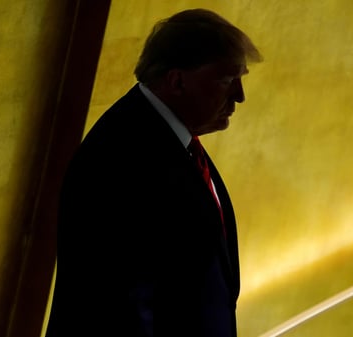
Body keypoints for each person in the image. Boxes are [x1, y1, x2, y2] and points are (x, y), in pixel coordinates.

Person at [46, 8, 262, 337]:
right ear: (177, 81)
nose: (240, 96)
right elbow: (119, 308)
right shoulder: (121, 157)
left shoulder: (171, 140)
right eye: (226, 80)